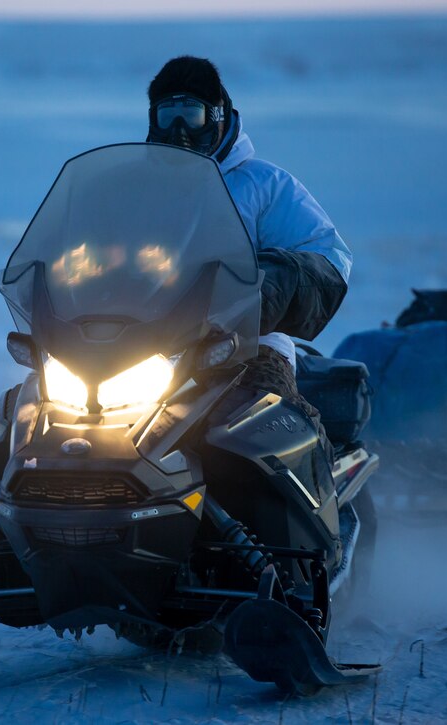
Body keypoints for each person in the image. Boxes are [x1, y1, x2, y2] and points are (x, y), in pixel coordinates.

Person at [147, 56, 351, 461]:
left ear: (217, 117)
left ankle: (316, 493)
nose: (180, 131)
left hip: (247, 345)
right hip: (144, 345)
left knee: (267, 420)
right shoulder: (138, 190)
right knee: (42, 415)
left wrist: (272, 284)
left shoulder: (263, 184)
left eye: (191, 114)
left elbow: (328, 255)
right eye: (168, 116)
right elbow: (96, 251)